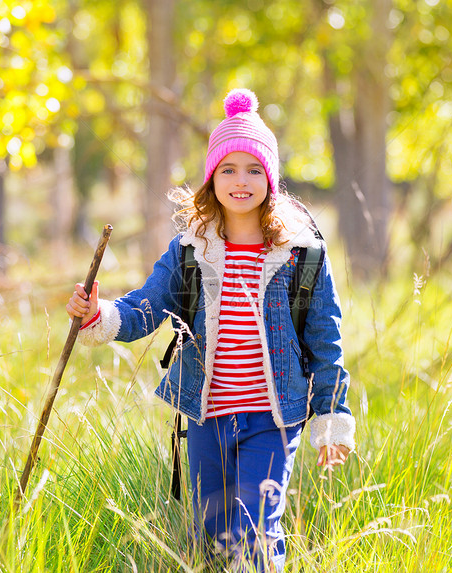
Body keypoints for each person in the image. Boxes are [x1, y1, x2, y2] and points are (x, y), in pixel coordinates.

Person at [66, 88, 355, 571]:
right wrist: (99, 314)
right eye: (228, 168)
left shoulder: (301, 255)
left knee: (256, 530)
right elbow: (146, 308)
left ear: (272, 178)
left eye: (254, 169)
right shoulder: (192, 250)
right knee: (212, 536)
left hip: (273, 417)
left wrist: (330, 418)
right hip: (207, 417)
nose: (241, 181)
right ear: (211, 177)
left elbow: (326, 341)